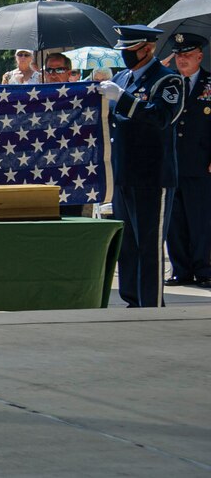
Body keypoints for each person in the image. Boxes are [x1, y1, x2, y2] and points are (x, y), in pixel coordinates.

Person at [98, 25, 184, 308]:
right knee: (129, 245)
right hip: (124, 171)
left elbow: (160, 117)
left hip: (152, 174)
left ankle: (151, 303)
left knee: (149, 244)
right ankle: (132, 299)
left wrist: (122, 98)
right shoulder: (122, 77)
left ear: (147, 48)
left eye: (129, 50)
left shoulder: (168, 80)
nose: (125, 56)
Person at [163, 33, 211, 288]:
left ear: (199, 57)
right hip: (170, 162)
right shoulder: (167, 83)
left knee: (201, 219)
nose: (182, 59)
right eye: (179, 55)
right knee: (175, 220)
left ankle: (204, 269)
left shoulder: (210, 84)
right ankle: (180, 270)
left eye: (187, 55)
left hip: (201, 163)